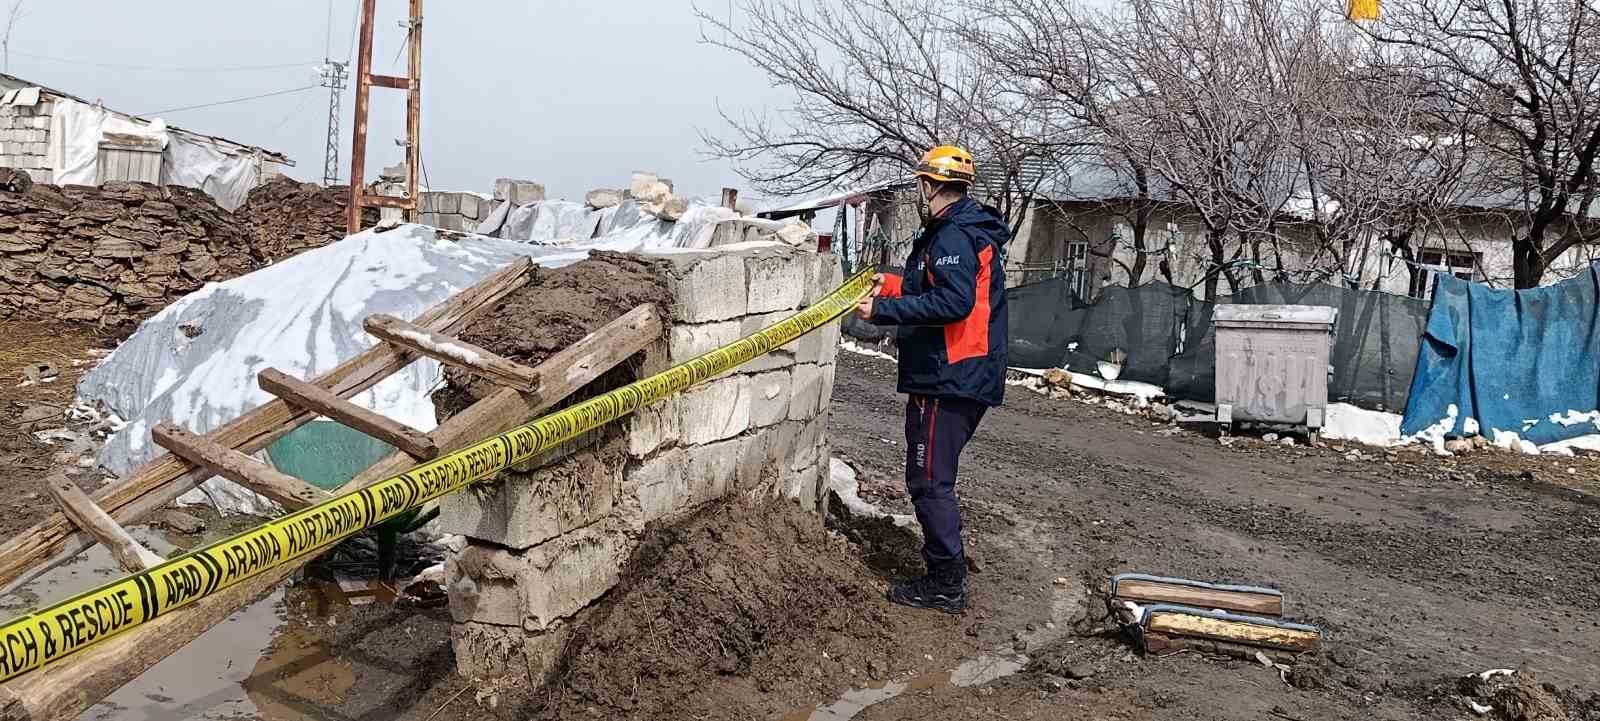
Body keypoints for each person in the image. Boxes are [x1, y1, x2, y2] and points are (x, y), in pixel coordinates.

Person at [854, 145, 1009, 614]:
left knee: (928, 479)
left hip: (950, 374)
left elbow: (955, 303)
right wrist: (895, 284)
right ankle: (947, 569)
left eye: (920, 183)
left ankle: (945, 581)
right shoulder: (960, 231)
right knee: (931, 477)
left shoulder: (952, 235)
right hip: (957, 372)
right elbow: (939, 289)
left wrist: (884, 310)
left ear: (929, 185)